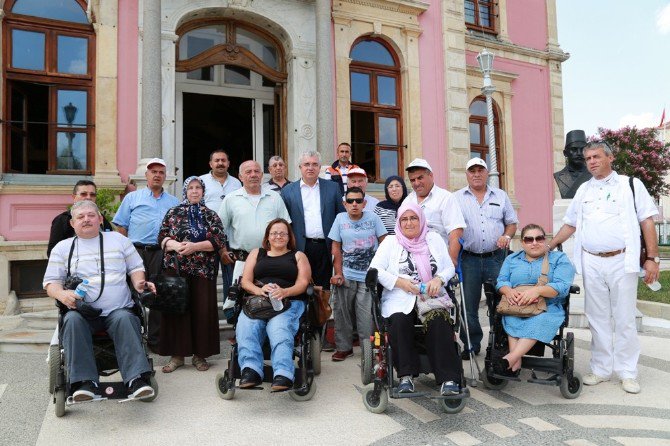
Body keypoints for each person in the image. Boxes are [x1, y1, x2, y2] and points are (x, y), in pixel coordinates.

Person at [549, 141, 660, 394]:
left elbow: (647, 221)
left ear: (610, 158)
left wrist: (652, 257)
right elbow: (571, 223)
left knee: (624, 318)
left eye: (596, 156)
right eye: (588, 158)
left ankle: (627, 371)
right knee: (597, 318)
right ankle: (600, 368)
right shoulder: (584, 190)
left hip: (622, 260)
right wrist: (550, 244)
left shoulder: (630, 185)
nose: (591, 162)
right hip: (591, 261)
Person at [43, 200, 156, 401]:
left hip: (118, 310)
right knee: (72, 321)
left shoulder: (119, 240)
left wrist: (140, 284)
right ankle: (84, 384)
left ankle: (136, 380)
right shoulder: (62, 248)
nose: (86, 219)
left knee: (125, 318)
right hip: (82, 313)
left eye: (91, 215)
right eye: (80, 216)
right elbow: (51, 283)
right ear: (72, 223)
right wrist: (62, 295)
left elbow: (136, 268)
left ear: (100, 219)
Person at [369, 203, 462, 396]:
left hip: (431, 296)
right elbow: (375, 271)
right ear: (399, 222)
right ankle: (405, 377)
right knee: (400, 321)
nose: (409, 223)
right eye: (404, 219)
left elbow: (449, 267)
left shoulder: (434, 238)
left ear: (421, 220)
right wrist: (399, 283)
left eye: (414, 218)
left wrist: (439, 279)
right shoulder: (390, 242)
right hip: (399, 296)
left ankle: (449, 379)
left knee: (439, 321)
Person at [157, 177, 228, 373]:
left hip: (203, 270)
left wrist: (195, 247)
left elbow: (218, 239)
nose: (195, 191)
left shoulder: (210, 214)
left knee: (202, 311)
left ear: (203, 192)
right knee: (176, 311)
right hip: (176, 269)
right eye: (191, 188)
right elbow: (162, 236)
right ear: (185, 191)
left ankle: (199, 355)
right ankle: (177, 356)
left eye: (198, 188)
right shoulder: (173, 212)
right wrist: (177, 246)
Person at [236, 219, 312, 391]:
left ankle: (283, 373)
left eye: (283, 233)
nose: (278, 236)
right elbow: (245, 282)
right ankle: (251, 371)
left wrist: (285, 291)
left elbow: (303, 283)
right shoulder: (257, 253)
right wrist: (258, 290)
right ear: (267, 237)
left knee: (278, 328)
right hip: (258, 302)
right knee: (247, 326)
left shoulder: (298, 256)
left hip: (289, 301)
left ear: (289, 237)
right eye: (274, 233)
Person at [113, 158, 180, 351]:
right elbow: (121, 226)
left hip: (161, 253)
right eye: (153, 172)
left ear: (165, 176)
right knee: (133, 294)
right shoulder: (132, 198)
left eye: (160, 172)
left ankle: (155, 342)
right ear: (146, 176)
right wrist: (125, 251)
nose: (157, 175)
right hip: (136, 252)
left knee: (158, 295)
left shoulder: (174, 203)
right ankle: (132, 339)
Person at [455, 157, 518, 359]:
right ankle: (471, 344)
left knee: (499, 302)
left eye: (480, 170)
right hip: (469, 259)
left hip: (496, 258)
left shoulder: (500, 195)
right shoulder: (456, 198)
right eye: (472, 171)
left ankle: (499, 342)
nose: (476, 174)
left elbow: (512, 223)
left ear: (486, 172)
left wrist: (507, 236)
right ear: (466, 174)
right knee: (469, 305)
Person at [495, 224, 575, 375]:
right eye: (529, 239)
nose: (534, 242)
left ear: (545, 240)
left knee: (540, 320)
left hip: (548, 307)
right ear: (522, 243)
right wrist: (508, 291)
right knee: (512, 318)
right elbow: (502, 280)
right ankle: (513, 361)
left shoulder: (559, 258)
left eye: (539, 238)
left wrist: (537, 291)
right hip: (516, 305)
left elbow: (563, 286)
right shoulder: (512, 259)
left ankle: (511, 359)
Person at [328, 187, 387, 361]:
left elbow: (385, 244)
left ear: (364, 203)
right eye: (351, 201)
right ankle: (344, 348)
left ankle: (369, 350)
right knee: (342, 313)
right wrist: (338, 273)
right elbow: (336, 248)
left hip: (368, 277)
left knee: (367, 317)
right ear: (345, 203)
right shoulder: (339, 219)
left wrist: (381, 270)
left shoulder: (373, 218)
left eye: (358, 201)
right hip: (346, 275)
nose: (354, 204)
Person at [281, 150, 345, 288]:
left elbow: (341, 217)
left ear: (319, 167)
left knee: (323, 291)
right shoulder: (288, 191)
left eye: (315, 164)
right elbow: (284, 223)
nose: (310, 168)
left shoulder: (333, 188)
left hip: (326, 248)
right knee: (300, 288)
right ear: (300, 168)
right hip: (300, 247)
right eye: (306, 164)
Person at [218, 160, 291, 265]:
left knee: (271, 282)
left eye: (256, 171)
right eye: (248, 172)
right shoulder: (230, 199)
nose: (253, 175)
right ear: (240, 176)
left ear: (261, 175)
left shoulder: (275, 197)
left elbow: (286, 226)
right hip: (240, 258)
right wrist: (223, 251)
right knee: (243, 282)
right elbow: (219, 229)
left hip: (272, 256)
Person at [404, 158, 466, 266]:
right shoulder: (407, 201)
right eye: (412, 180)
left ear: (431, 176)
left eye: (420, 178)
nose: (416, 183)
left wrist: (451, 263)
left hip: (438, 259)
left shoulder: (446, 198)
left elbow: (455, 232)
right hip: (411, 261)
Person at [47, 180, 114, 257]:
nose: (88, 197)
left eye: (92, 195)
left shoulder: (101, 217)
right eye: (83, 194)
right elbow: (53, 252)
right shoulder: (62, 220)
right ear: (74, 197)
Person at [553, 130, 592, 199]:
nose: (579, 153)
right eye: (574, 149)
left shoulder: (594, 175)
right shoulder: (558, 176)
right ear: (565, 153)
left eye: (582, 149)